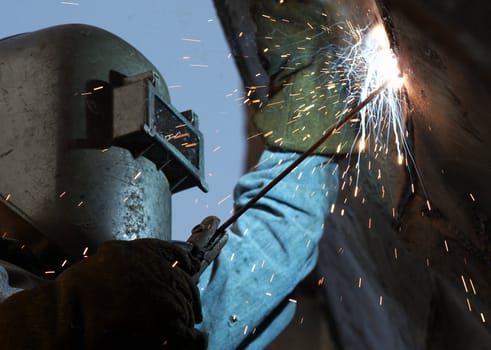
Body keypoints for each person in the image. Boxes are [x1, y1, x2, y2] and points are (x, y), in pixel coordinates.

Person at [0, 2, 350, 348]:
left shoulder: (158, 306)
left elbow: (272, 252)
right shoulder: (131, 305)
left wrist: (308, 114)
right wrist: (80, 312)